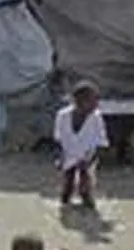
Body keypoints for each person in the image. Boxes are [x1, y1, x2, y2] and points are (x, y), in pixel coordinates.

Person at [53, 80, 109, 209]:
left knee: (85, 191)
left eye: (96, 100)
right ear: (78, 101)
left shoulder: (96, 118)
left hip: (87, 156)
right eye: (92, 100)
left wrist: (90, 163)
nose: (96, 104)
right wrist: (59, 158)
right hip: (68, 154)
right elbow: (58, 139)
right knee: (67, 190)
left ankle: (89, 208)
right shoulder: (62, 115)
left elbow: (102, 143)